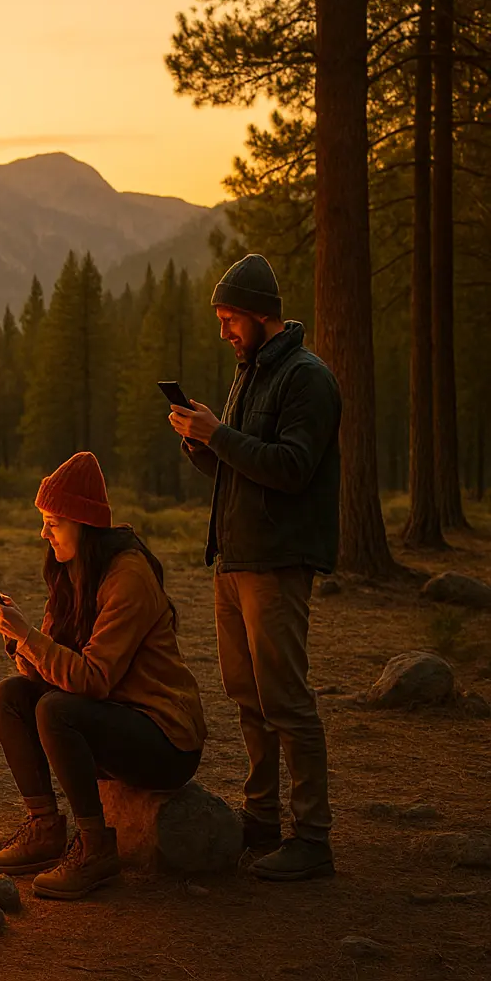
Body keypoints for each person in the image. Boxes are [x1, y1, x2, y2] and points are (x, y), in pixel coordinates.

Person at [168, 253, 341, 882]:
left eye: (229, 317)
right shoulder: (250, 374)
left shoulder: (307, 380)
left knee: (286, 700)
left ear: (259, 313)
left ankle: (313, 838)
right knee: (247, 698)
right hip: (235, 560)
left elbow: (292, 469)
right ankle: (262, 818)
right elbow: (243, 469)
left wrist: (220, 436)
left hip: (277, 562)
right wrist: (203, 444)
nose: (223, 331)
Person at [0, 451, 208, 900]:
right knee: (10, 696)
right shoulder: (70, 571)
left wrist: (27, 636)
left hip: (164, 739)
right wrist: (16, 637)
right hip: (113, 717)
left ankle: (96, 849)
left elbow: (93, 679)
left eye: (53, 522)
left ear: (82, 523)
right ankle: (45, 829)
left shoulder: (129, 577)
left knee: (56, 709)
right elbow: (51, 668)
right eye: (43, 520)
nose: (44, 532)